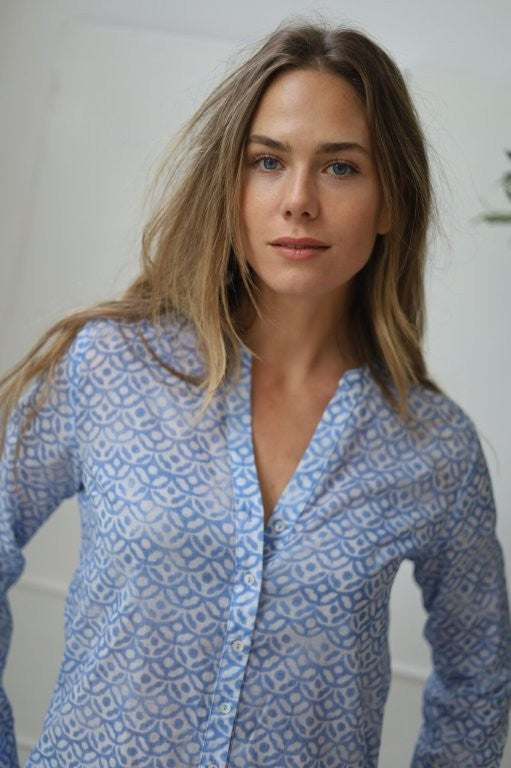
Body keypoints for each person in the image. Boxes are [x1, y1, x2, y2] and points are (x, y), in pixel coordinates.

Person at [0, 19, 510, 768]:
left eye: (341, 168)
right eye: (268, 161)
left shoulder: (433, 449)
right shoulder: (111, 366)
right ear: (230, 185)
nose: (298, 200)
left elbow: (480, 677)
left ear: (390, 202)